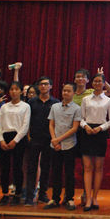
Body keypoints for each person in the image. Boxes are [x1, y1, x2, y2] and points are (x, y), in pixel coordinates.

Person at [79, 73, 110, 211]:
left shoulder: (108, 101)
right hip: (87, 132)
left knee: (99, 167)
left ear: (104, 83)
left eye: (100, 81)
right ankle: (88, 198)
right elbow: (81, 118)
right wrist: (86, 126)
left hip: (101, 133)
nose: (97, 83)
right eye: (95, 81)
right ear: (92, 83)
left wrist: (101, 128)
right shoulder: (85, 99)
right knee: (87, 167)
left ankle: (95, 198)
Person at [44, 82, 81, 211]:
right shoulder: (55, 107)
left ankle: (69, 198)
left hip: (69, 145)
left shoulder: (77, 108)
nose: (65, 93)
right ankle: (55, 198)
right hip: (55, 145)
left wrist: (58, 140)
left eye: (68, 91)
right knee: (56, 172)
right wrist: (54, 140)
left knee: (69, 173)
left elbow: (74, 128)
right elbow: (51, 124)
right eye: (64, 90)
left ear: (74, 93)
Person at [25, 76, 59, 206]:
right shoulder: (31, 102)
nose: (43, 86)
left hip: (49, 139)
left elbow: (57, 122)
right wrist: (28, 136)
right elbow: (27, 120)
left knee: (46, 167)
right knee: (31, 168)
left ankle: (42, 194)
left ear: (51, 86)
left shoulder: (55, 103)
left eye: (46, 84)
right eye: (41, 84)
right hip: (34, 139)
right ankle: (29, 196)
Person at [0, 81, 30, 205]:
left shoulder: (25, 106)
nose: (14, 91)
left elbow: (25, 125)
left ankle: (18, 193)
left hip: (18, 138)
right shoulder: (4, 106)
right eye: (11, 89)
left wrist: (15, 140)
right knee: (4, 167)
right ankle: (5, 193)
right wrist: (1, 140)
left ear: (21, 91)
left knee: (17, 167)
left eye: (16, 89)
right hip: (5, 137)